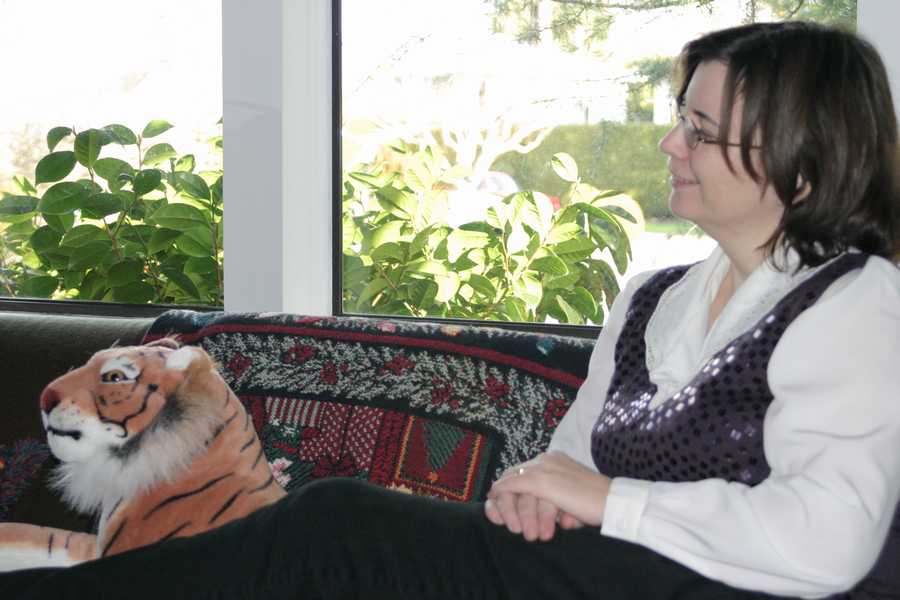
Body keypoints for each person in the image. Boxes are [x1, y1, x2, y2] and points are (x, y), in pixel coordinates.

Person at [3, 20, 899, 600]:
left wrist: (603, 500)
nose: (669, 142)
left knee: (337, 527)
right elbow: (570, 461)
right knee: (332, 533)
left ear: (799, 162)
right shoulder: (655, 299)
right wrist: (540, 492)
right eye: (679, 117)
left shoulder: (855, 302)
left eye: (699, 131)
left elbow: (831, 542)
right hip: (591, 574)